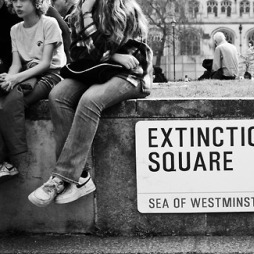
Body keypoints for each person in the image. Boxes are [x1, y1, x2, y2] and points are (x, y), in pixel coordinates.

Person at [28, 0, 152, 206]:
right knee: (57, 95)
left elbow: (112, 47)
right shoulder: (78, 12)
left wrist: (88, 17)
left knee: (90, 100)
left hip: (132, 74)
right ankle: (81, 177)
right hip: (98, 70)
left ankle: (61, 178)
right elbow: (76, 53)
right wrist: (112, 55)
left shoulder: (125, 9)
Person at [0, 0, 66, 184]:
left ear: (36, 2)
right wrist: (8, 79)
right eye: (14, 1)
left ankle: (11, 160)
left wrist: (15, 80)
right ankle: (2, 163)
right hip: (26, 73)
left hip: (52, 74)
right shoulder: (15, 29)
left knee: (13, 100)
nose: (17, 5)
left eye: (22, 0)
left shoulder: (49, 23)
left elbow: (46, 63)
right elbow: (15, 64)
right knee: (3, 95)